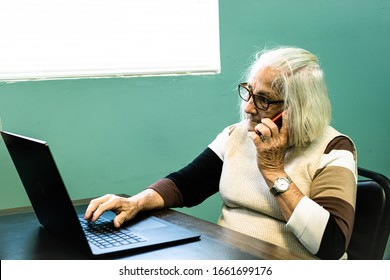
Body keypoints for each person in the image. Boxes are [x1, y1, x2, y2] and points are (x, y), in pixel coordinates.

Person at [84, 46, 357, 259]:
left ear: (297, 107)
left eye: (263, 100)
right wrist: (136, 202)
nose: (249, 108)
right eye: (249, 93)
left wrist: (274, 172)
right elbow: (186, 184)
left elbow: (330, 245)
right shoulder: (238, 135)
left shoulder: (335, 149)